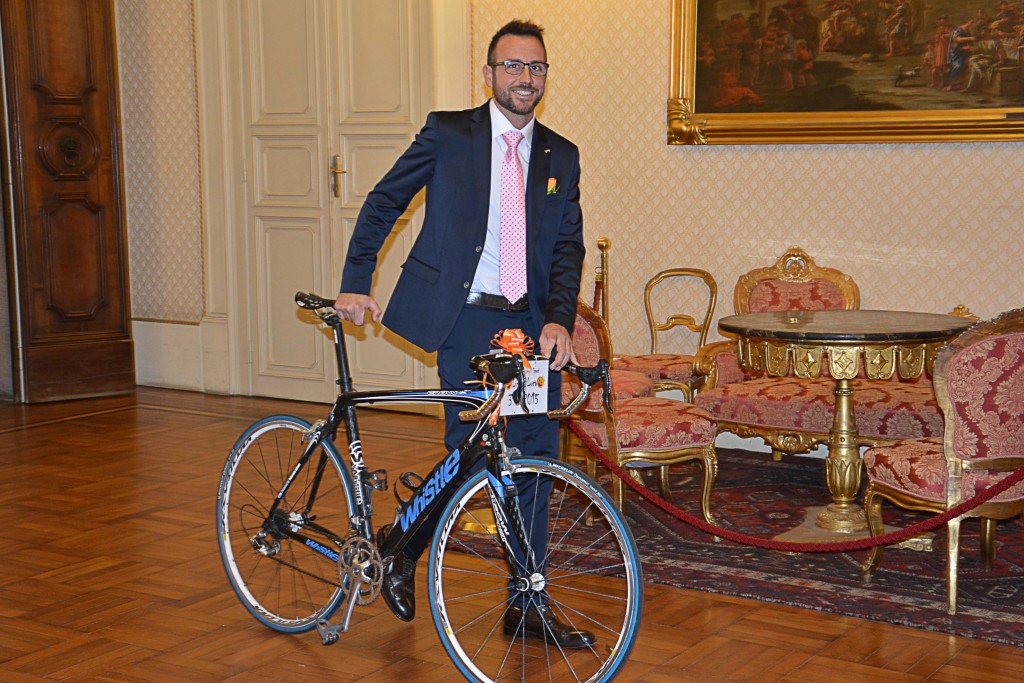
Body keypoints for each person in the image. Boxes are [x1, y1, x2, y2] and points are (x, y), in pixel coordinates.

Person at [333, 19, 591, 648]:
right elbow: (385, 202)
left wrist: (558, 318)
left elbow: (567, 247)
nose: (525, 77)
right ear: (488, 74)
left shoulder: (560, 155)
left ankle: (526, 602)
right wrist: (356, 280)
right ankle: (402, 548)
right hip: (466, 319)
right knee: (469, 453)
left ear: (546, 77)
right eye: (512, 65)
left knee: (535, 458)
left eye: (535, 67)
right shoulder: (449, 134)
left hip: (529, 326)